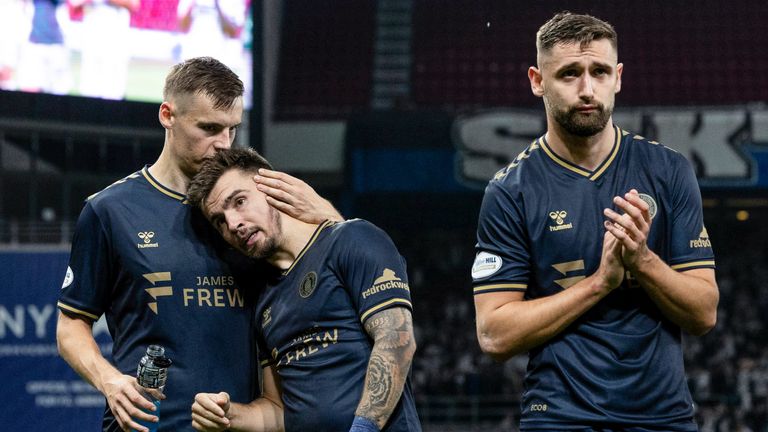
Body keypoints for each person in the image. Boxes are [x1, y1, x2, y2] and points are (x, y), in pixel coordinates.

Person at [56, 57, 340, 432]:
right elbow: (71, 325)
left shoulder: (254, 207)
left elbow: (338, 258)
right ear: (167, 115)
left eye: (232, 130)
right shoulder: (109, 211)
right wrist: (109, 381)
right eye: (209, 128)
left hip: (239, 424)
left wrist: (325, 213)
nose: (223, 145)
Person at [471, 12, 719, 431]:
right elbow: (494, 334)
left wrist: (642, 261)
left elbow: (704, 314)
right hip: (558, 417)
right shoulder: (510, 190)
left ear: (618, 77)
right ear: (537, 81)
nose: (587, 89)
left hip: (662, 417)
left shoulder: (669, 171)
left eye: (599, 71)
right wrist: (600, 283)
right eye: (569, 73)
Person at [185, 148, 421, 432]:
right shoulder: (263, 300)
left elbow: (396, 341)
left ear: (272, 187)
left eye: (239, 201)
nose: (233, 224)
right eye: (219, 221)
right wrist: (227, 415)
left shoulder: (351, 239)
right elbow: (277, 409)